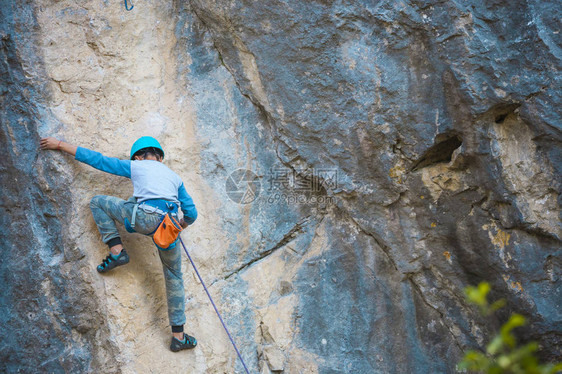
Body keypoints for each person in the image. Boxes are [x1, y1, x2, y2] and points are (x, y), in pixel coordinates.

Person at [40, 136, 198, 352]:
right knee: (174, 276)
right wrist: (179, 225)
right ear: (159, 157)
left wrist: (59, 145)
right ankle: (178, 336)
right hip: (167, 229)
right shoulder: (175, 178)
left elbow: (98, 160)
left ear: (139, 156)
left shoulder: (137, 166)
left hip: (142, 218)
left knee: (97, 202)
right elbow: (191, 213)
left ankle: (117, 251)